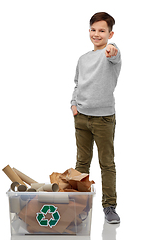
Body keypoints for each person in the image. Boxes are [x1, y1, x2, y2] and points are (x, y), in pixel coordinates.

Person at [70, 12, 121, 224]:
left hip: (103, 119)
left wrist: (112, 49)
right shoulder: (83, 59)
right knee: (82, 163)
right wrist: (73, 104)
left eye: (102, 31)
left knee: (106, 163)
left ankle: (109, 206)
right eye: (93, 30)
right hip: (81, 117)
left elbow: (115, 53)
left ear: (110, 33)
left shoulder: (111, 54)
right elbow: (77, 83)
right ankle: (80, 206)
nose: (96, 34)